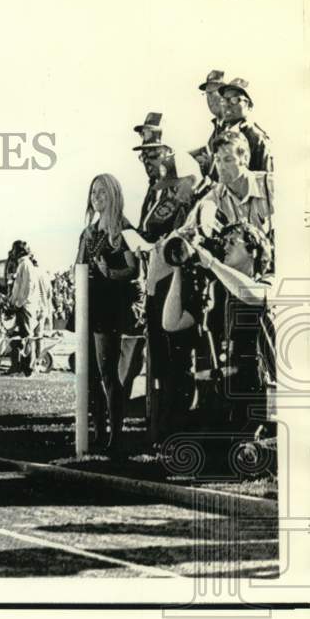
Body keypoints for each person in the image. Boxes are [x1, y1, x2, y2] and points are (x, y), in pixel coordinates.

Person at [162, 221, 274, 434]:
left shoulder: (269, 280)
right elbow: (171, 322)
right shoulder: (217, 290)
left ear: (254, 251)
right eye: (224, 242)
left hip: (260, 394)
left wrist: (212, 263)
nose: (225, 247)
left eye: (233, 242)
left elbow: (251, 294)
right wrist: (178, 267)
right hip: (226, 395)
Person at [133, 137, 199, 442]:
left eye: (154, 154)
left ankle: (176, 428)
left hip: (179, 284)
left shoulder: (192, 196)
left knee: (178, 360)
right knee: (160, 359)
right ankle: (161, 426)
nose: (147, 161)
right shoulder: (157, 194)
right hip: (158, 284)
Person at [75, 174, 139, 454]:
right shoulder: (88, 232)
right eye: (93, 193)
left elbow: (134, 268)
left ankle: (116, 434)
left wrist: (109, 273)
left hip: (109, 305)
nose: (97, 197)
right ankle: (97, 433)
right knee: (88, 375)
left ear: (113, 194)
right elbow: (78, 263)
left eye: (102, 193)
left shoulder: (123, 229)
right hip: (87, 304)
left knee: (107, 373)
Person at [187, 131, 274, 242]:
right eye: (218, 160)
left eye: (228, 160)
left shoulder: (272, 185)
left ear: (245, 158)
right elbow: (186, 230)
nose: (221, 167)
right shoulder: (213, 198)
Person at [217, 77, 273, 174]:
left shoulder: (258, 139)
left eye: (234, 100)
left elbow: (264, 183)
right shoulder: (222, 133)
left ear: (249, 105)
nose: (227, 105)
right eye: (224, 100)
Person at [7, 241, 45, 376]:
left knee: (27, 336)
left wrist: (18, 303)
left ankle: (29, 368)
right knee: (23, 336)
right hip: (22, 305)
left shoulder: (25, 264)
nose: (12, 252)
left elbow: (28, 287)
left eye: (14, 250)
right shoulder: (23, 264)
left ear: (19, 251)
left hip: (25, 305)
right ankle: (24, 366)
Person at [191, 71, 227, 179]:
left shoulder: (237, 130)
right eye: (206, 94)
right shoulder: (214, 134)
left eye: (211, 93)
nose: (209, 99)